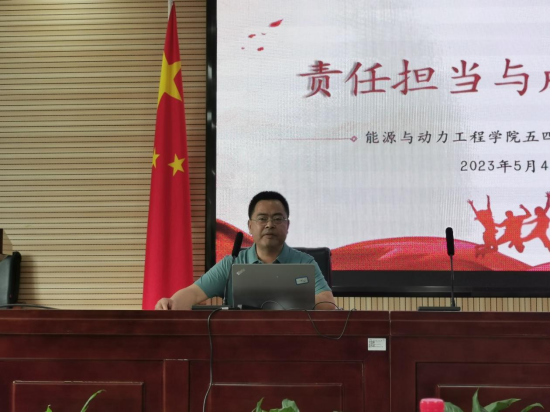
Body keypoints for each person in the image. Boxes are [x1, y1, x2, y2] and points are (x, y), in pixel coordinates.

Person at [155, 191, 337, 311]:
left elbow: (327, 302)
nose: (269, 224)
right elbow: (194, 293)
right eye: (262, 218)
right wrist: (171, 303)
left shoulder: (305, 262)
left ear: (287, 225)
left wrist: (291, 302)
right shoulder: (232, 263)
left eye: (277, 219)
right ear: (250, 226)